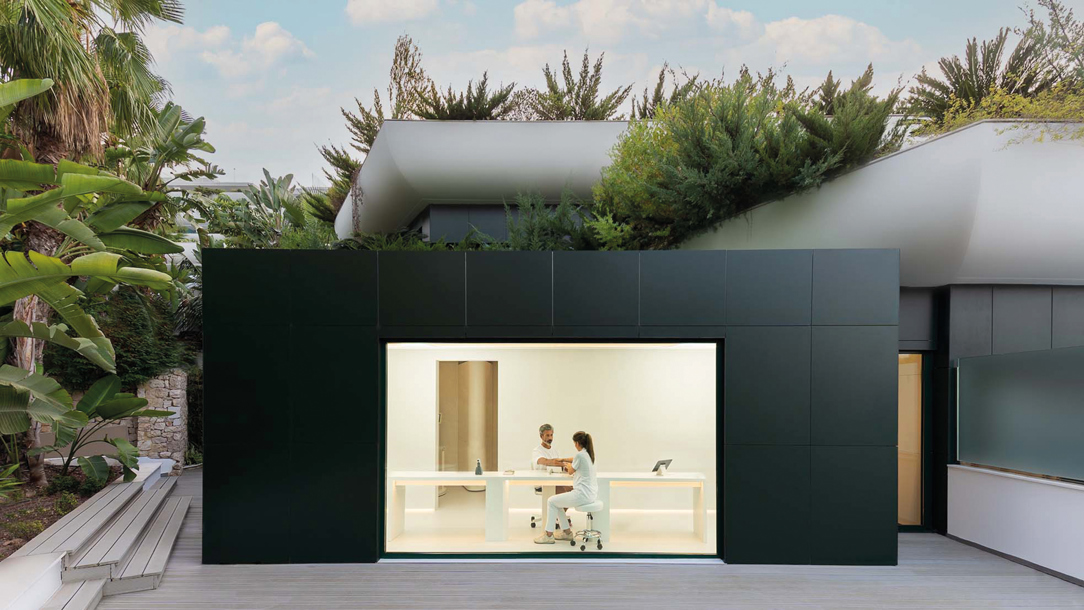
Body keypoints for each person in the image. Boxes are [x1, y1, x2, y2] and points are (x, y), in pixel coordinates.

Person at [534, 431, 597, 544]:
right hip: (590, 494)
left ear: (577, 443)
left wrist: (567, 465)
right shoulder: (588, 454)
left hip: (581, 494)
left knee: (551, 501)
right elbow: (574, 459)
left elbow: (570, 470)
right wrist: (563, 459)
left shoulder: (580, 455)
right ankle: (567, 532)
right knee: (557, 502)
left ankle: (548, 535)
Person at [532, 424, 572, 529]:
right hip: (543, 483)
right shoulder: (537, 451)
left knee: (573, 491)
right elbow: (543, 461)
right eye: (547, 435)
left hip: (556, 480)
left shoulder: (554, 450)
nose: (550, 438)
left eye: (551, 435)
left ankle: (558, 517)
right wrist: (558, 462)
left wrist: (566, 466)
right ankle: (557, 519)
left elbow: (560, 464)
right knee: (564, 493)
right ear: (541, 436)